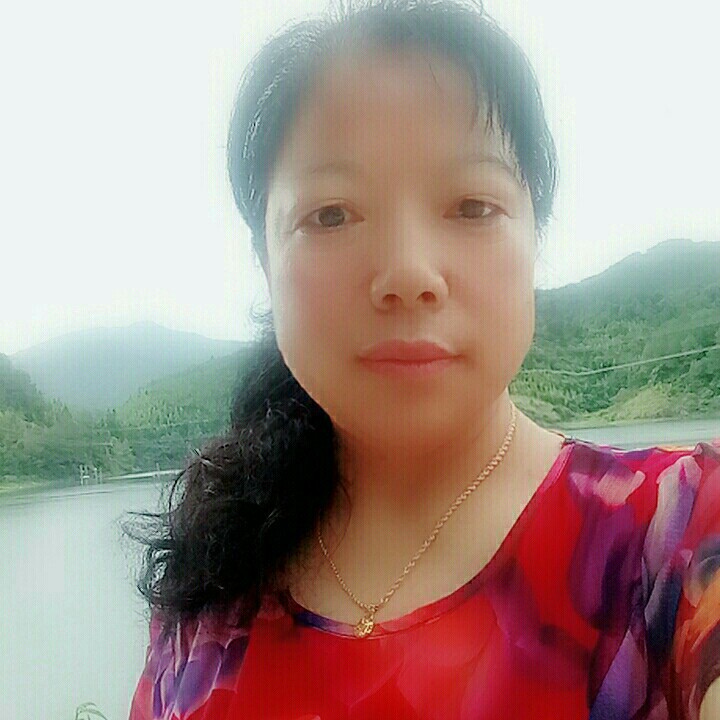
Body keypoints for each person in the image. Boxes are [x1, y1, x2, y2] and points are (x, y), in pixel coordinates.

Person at [124, 1, 720, 718]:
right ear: (265, 258)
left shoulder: (677, 537)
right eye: (331, 214)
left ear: (535, 235)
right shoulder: (211, 584)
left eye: (471, 206)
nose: (408, 273)